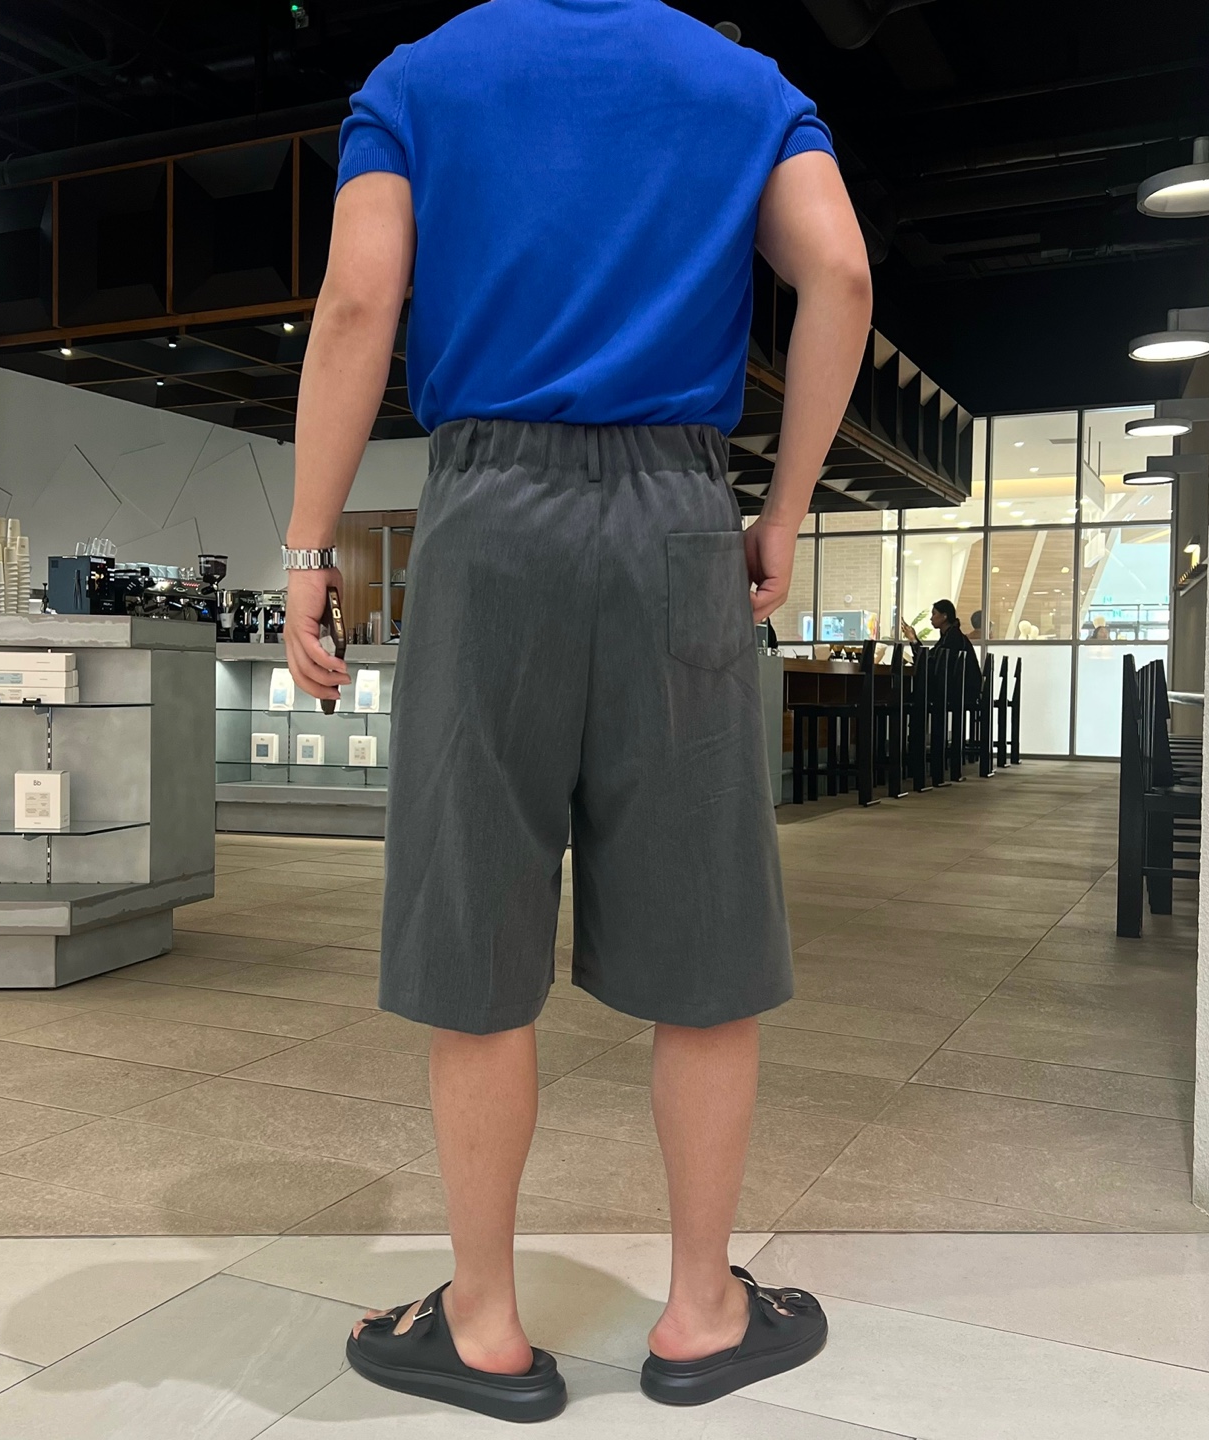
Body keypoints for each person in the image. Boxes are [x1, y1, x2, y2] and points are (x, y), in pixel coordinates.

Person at [282, 1, 872, 1421]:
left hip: (487, 520)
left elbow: (358, 305)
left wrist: (309, 548)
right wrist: (783, 511)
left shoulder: (419, 78)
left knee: (475, 926)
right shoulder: (739, 84)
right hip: (679, 514)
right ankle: (703, 1311)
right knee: (706, 938)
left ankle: (483, 1322)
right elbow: (842, 274)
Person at [901, 598, 983, 704]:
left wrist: (913, 640)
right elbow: (931, 659)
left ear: (944, 616)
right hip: (959, 688)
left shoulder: (952, 637)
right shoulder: (950, 635)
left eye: (934, 614)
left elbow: (932, 662)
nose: (931, 618)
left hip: (959, 691)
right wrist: (914, 639)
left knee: (911, 694)